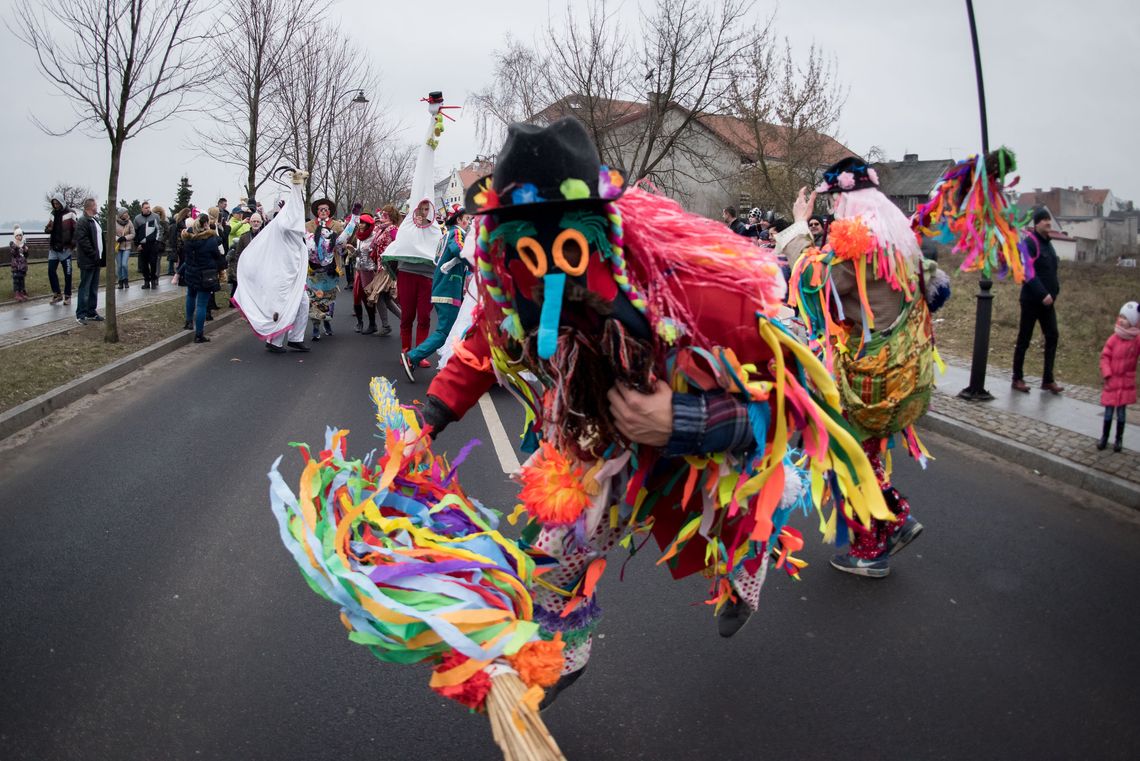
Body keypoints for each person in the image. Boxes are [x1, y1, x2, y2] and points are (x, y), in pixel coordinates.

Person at [417, 118, 888, 702]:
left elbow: (798, 400)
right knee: (561, 542)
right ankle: (565, 651)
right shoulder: (507, 267)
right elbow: (491, 341)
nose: (542, 275)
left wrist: (683, 421)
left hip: (703, 424)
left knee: (730, 511)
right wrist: (432, 414)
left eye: (561, 247)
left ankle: (748, 556)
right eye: (524, 248)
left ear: (598, 230)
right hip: (594, 426)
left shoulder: (692, 288)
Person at [787, 157, 941, 579]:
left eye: (832, 201)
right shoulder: (897, 235)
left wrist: (800, 228)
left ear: (843, 198)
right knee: (861, 453)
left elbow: (814, 283)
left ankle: (873, 550)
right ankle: (894, 518)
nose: (832, 211)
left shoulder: (859, 237)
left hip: (869, 371)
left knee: (848, 453)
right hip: (902, 366)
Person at [382, 95, 447, 363]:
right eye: (418, 208)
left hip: (428, 277)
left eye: (425, 209)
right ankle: (405, 352)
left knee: (423, 317)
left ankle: (419, 354)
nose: (421, 212)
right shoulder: (408, 224)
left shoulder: (436, 231)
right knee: (407, 316)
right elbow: (422, 175)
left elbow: (445, 254)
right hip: (408, 274)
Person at [232, 168, 312, 354]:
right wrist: (297, 186)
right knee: (283, 305)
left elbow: (297, 208)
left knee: (302, 303)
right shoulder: (283, 225)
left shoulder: (292, 225)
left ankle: (295, 338)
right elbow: (293, 212)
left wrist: (299, 186)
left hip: (293, 274)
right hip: (283, 275)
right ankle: (275, 341)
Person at [400, 205, 470, 380]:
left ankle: (457, 366)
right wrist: (476, 256)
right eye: (467, 219)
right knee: (445, 332)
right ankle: (413, 356)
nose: (469, 222)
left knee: (455, 331)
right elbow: (458, 250)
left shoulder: (446, 234)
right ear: (459, 220)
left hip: (444, 288)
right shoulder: (457, 233)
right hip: (448, 290)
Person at [1012, 208, 1063, 394]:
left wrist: (1055, 291)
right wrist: (1043, 294)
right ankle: (1017, 378)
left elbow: (1051, 271)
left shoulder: (1049, 245)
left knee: (1052, 336)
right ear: (1037, 223)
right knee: (1024, 339)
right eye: (1044, 220)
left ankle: (1048, 380)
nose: (1048, 223)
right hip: (1031, 301)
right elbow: (1027, 272)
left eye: (1049, 220)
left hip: (1048, 303)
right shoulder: (1028, 243)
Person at [305, 197, 356, 340]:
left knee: (329, 298)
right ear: (316, 211)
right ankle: (316, 326)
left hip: (331, 268)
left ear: (329, 212)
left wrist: (347, 244)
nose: (323, 211)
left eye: (325, 209)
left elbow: (344, 240)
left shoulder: (336, 226)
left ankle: (326, 321)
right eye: (320, 209)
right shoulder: (308, 226)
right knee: (315, 297)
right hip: (314, 269)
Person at [1098, 301, 1140, 452]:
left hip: (1126, 383)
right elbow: (1105, 357)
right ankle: (1104, 437)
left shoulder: (1136, 340)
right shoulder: (1113, 339)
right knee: (1108, 414)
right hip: (1112, 381)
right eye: (1120, 316)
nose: (1122, 320)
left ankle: (1118, 440)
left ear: (1134, 322)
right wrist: (1107, 373)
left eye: (1126, 318)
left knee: (1121, 415)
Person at [180, 214, 225, 343]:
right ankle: (199, 335)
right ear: (205, 224)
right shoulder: (210, 240)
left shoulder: (188, 239)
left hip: (191, 272)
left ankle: (188, 322)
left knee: (190, 296)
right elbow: (217, 254)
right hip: (205, 274)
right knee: (201, 305)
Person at [364, 205, 401, 336]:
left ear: (391, 216)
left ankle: (387, 325)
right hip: (380, 266)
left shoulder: (393, 229)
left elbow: (399, 245)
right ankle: (401, 321)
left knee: (378, 296)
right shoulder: (381, 229)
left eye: (385, 215)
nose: (382, 217)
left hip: (388, 267)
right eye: (382, 214)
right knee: (385, 299)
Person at [349, 213, 382, 334]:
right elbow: (358, 253)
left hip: (370, 271)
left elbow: (378, 254)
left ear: (369, 225)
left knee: (370, 298)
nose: (360, 225)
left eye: (363, 223)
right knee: (357, 296)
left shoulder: (374, 237)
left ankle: (373, 324)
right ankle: (359, 322)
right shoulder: (359, 236)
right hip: (359, 269)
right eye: (360, 222)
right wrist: (353, 250)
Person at [74, 197, 104, 325]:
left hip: (97, 260)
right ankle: (81, 313)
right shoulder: (83, 221)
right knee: (85, 287)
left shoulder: (95, 220)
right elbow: (83, 240)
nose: (97, 207)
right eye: (95, 205)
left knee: (93, 287)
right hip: (88, 260)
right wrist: (93, 254)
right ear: (90, 207)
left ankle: (91, 311)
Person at [45, 192, 75, 305]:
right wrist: (47, 229)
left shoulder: (71, 213)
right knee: (51, 271)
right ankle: (57, 294)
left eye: (57, 203)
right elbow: (48, 226)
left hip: (65, 249)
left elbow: (76, 230)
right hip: (54, 248)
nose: (56, 205)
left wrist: (72, 244)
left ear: (61, 202)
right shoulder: (53, 213)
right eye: (54, 203)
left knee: (67, 273)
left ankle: (68, 296)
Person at [228, 212, 262, 301]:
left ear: (261, 223)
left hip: (260, 269)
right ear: (250, 222)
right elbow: (238, 254)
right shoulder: (244, 237)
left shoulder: (264, 235)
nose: (256, 223)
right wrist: (237, 271)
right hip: (247, 269)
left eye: (258, 221)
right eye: (254, 221)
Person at [133, 201, 163, 289]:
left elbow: (159, 229)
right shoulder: (137, 219)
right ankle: (146, 281)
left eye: (149, 207)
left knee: (153, 263)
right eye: (146, 208)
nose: (148, 209)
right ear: (142, 209)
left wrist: (157, 241)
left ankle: (153, 280)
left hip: (153, 244)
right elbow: (135, 232)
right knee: (144, 264)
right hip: (142, 245)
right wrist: (137, 244)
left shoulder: (155, 217)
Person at [114, 207, 135, 290]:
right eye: (124, 213)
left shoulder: (129, 223)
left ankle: (126, 279)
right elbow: (111, 232)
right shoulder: (114, 222)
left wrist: (125, 238)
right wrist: (117, 238)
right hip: (118, 246)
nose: (126, 214)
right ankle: (120, 281)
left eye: (127, 212)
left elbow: (133, 234)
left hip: (126, 246)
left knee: (124, 264)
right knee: (119, 266)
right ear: (120, 214)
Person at [8, 226, 29, 301]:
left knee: (21, 280)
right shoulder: (13, 245)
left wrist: (26, 251)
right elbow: (13, 254)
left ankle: (21, 293)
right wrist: (16, 247)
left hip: (22, 266)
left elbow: (26, 256)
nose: (19, 237)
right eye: (17, 235)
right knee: (16, 281)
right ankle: (17, 293)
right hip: (16, 266)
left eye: (20, 235)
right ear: (15, 236)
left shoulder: (23, 245)